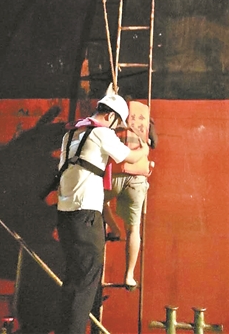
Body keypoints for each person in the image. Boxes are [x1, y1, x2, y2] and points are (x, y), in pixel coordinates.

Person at [55, 86, 148, 334]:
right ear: (110, 116)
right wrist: (144, 148)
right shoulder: (101, 133)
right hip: (86, 216)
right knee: (86, 283)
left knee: (72, 281)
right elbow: (129, 157)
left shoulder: (71, 134)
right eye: (117, 125)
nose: (116, 130)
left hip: (65, 216)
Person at [103, 100, 158, 291]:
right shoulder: (146, 121)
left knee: (99, 203)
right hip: (137, 179)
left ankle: (114, 230)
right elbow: (155, 143)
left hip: (115, 175)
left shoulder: (113, 119)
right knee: (134, 229)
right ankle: (129, 276)